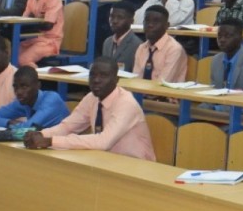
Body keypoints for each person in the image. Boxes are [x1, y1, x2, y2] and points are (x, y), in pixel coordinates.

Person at [25, 57, 156, 159]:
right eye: (92, 75)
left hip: (136, 166)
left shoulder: (126, 103)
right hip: (106, 160)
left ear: (116, 80)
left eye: (103, 76)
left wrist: (51, 141)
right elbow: (68, 126)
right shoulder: (91, 98)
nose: (96, 80)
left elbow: (104, 142)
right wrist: (41, 134)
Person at [0, 65, 71, 130]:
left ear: (38, 86)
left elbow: (26, 128)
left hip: (67, 148)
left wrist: (13, 125)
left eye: (24, 87)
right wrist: (8, 122)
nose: (18, 92)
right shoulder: (23, 101)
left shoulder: (51, 100)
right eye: (15, 87)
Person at [16, 0, 65, 66]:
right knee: (11, 56)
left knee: (23, 60)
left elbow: (48, 25)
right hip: (35, 39)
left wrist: (33, 23)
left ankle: (34, 80)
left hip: (51, 41)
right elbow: (24, 20)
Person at [133, 4, 188, 83]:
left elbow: (163, 82)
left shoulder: (174, 49)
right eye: (147, 20)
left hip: (165, 94)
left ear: (167, 25)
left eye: (156, 21)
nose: (150, 25)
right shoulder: (141, 47)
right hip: (142, 93)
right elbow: (136, 79)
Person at [101, 2, 140, 72]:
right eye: (112, 16)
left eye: (120, 17)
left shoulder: (137, 45)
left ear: (131, 21)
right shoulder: (107, 42)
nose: (114, 21)